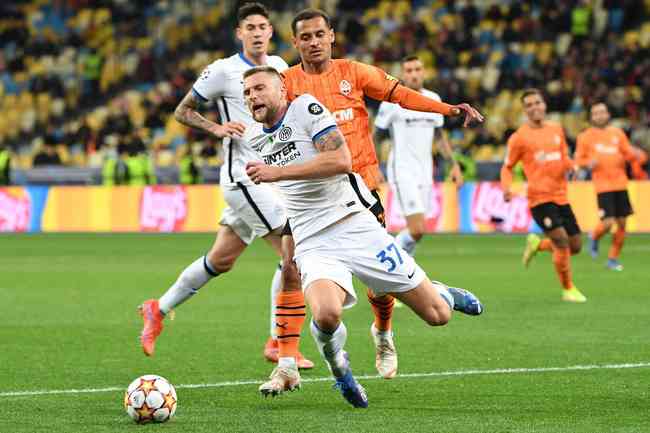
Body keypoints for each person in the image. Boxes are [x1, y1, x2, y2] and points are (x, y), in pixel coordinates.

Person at [242, 66, 483, 407]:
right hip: (313, 240)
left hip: (354, 223)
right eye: (247, 92)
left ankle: (442, 292)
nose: (252, 96)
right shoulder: (252, 137)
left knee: (437, 316)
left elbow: (341, 160)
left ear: (282, 88)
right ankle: (340, 371)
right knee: (326, 314)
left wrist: (277, 172)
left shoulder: (306, 109)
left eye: (259, 88)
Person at [274, 8, 483, 380]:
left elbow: (401, 94)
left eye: (319, 34)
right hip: (313, 198)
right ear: (295, 42)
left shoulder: (353, 72)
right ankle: (287, 361)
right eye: (305, 37)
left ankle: (384, 333)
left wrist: (448, 109)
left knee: (377, 282)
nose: (314, 42)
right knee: (289, 267)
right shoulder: (286, 83)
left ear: (331, 35)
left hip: (363, 192)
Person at [137, 2, 313, 369]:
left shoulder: (280, 67)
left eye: (263, 26)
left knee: (221, 259)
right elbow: (182, 110)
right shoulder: (222, 71)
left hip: (268, 177)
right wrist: (216, 128)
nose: (258, 32)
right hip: (243, 177)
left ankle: (158, 308)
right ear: (239, 33)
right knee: (292, 252)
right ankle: (279, 342)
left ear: (270, 31)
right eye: (250, 27)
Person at [500, 88, 586, 303]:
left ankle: (538, 245)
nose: (534, 107)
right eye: (529, 105)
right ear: (524, 111)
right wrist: (506, 187)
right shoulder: (519, 138)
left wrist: (572, 166)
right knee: (562, 242)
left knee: (575, 245)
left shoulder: (556, 129)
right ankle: (568, 289)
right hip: (539, 199)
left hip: (562, 196)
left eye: (537, 102)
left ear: (544, 105)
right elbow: (507, 167)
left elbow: (564, 156)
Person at [374, 55, 463, 257]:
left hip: (425, 172)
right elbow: (376, 136)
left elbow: (440, 137)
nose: (414, 74)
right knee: (417, 229)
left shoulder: (434, 99)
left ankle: (403, 277)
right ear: (403, 75)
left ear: (424, 72)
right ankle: (387, 262)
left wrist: (455, 166)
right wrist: (375, 166)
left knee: (418, 231)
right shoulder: (392, 102)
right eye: (409, 70)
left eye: (417, 69)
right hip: (402, 170)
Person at [575, 102, 638, 271]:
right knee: (608, 222)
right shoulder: (585, 137)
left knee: (623, 224)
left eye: (602, 112)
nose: (600, 115)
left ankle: (612, 259)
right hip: (603, 186)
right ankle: (594, 236)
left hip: (621, 183)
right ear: (591, 117)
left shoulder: (617, 133)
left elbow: (628, 153)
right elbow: (578, 160)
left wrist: (636, 154)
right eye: (596, 113)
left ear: (608, 114)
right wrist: (588, 163)